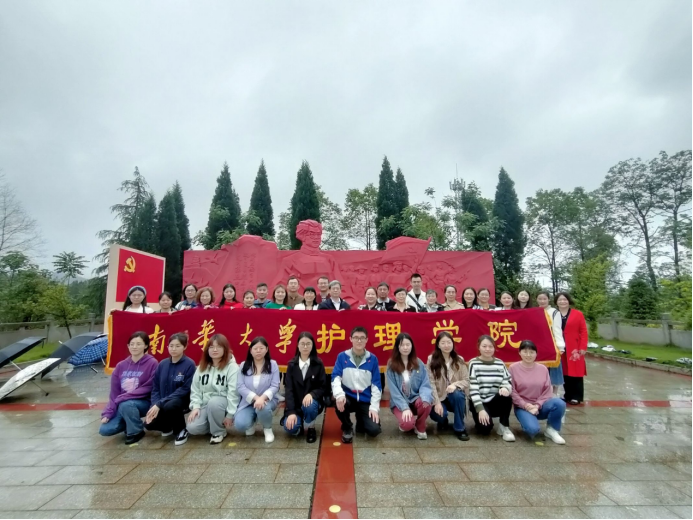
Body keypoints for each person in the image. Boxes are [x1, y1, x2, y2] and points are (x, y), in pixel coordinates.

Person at [100, 331, 158, 444]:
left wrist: (124, 397)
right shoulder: (121, 366)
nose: (134, 347)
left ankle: (136, 431)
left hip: (144, 402)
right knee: (105, 430)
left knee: (126, 404)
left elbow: (149, 387)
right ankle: (129, 421)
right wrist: (108, 412)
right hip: (123, 402)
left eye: (138, 344)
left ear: (146, 346)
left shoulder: (152, 363)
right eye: (132, 344)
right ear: (128, 346)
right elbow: (114, 393)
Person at [509, 340, 566, 444]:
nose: (528, 355)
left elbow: (547, 391)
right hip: (523, 407)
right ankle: (528, 421)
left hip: (540, 406)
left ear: (536, 353)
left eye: (531, 352)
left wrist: (537, 405)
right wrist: (526, 405)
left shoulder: (543, 369)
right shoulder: (513, 368)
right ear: (519, 352)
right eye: (525, 352)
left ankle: (552, 429)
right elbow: (512, 391)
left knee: (559, 403)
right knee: (532, 430)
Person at [332, 327, 382, 443]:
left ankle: (361, 420)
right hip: (348, 398)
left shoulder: (372, 359)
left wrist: (374, 408)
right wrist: (339, 395)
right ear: (351, 339)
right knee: (337, 401)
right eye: (356, 338)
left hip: (365, 400)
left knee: (374, 430)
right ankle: (347, 426)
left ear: (366, 340)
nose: (359, 341)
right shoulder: (342, 357)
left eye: (362, 338)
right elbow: (335, 377)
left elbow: (376, 385)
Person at [186, 334, 240, 444]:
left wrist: (230, 415)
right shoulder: (202, 367)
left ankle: (218, 432)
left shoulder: (232, 367)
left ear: (225, 349)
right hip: (205, 405)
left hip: (223, 404)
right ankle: (214, 425)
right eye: (211, 347)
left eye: (219, 347)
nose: (215, 350)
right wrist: (196, 406)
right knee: (192, 428)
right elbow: (195, 389)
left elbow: (233, 393)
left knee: (214, 402)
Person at [144, 333, 196, 446]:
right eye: (171, 346)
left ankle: (181, 430)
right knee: (149, 424)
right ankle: (168, 427)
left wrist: (160, 403)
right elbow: (156, 388)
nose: (174, 349)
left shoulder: (189, 364)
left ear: (184, 347)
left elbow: (185, 389)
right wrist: (154, 405)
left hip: (182, 400)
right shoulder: (162, 364)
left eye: (178, 346)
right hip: (162, 402)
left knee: (171, 405)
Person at [468, 335, 515, 442]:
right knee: (485, 429)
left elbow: (507, 380)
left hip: (494, 400)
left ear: (494, 348)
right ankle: (481, 420)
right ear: (479, 347)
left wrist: (505, 388)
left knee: (507, 397)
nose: (487, 349)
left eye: (490, 346)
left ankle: (504, 426)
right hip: (479, 402)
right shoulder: (473, 363)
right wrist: (480, 409)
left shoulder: (500, 363)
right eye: (484, 346)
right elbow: (473, 389)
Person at [387, 333, 433, 440]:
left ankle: (420, 425)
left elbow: (425, 384)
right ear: (397, 347)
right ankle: (407, 422)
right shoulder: (391, 364)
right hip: (399, 401)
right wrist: (404, 408)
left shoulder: (419, 363)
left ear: (412, 346)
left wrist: (425, 398)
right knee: (407, 425)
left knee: (426, 403)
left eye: (408, 345)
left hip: (415, 398)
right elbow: (394, 392)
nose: (405, 347)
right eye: (402, 345)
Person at [282, 332, 327, 443]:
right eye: (302, 344)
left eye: (308, 344)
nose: (305, 347)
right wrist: (291, 412)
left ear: (312, 346)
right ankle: (300, 424)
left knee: (309, 406)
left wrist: (312, 394)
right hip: (296, 405)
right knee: (290, 428)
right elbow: (289, 390)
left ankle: (311, 427)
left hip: (312, 403)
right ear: (298, 345)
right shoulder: (292, 365)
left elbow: (323, 387)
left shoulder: (318, 364)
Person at [234, 337, 281, 443]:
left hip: (268, 400)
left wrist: (262, 398)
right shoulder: (243, 365)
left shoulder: (272, 364)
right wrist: (256, 398)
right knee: (240, 425)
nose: (258, 351)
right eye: (255, 348)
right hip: (248, 402)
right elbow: (240, 386)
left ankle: (267, 428)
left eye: (261, 348)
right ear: (251, 350)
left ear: (266, 349)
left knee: (263, 408)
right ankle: (251, 422)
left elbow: (275, 385)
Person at [427, 331, 470, 441]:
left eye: (449, 342)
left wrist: (455, 384)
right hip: (439, 396)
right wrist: (436, 402)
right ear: (438, 345)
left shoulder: (459, 360)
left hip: (454, 397)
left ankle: (460, 428)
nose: (446, 345)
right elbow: (430, 382)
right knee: (439, 415)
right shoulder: (431, 359)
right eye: (443, 343)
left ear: (453, 343)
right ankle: (443, 420)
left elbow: (467, 380)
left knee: (458, 395)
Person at [556, 292, 588, 405]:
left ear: (569, 301)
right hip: (560, 347)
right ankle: (567, 395)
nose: (562, 302)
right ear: (556, 302)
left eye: (565, 299)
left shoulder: (577, 314)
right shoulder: (554, 314)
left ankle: (576, 396)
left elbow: (583, 331)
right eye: (560, 300)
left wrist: (583, 346)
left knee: (576, 372)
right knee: (564, 372)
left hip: (574, 347)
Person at [536, 291, 566, 396]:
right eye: (540, 299)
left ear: (548, 299)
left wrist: (560, 346)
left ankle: (554, 393)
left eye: (544, 299)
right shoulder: (534, 311)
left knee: (554, 368)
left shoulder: (554, 312)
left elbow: (557, 330)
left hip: (551, 343)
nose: (542, 301)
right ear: (536, 300)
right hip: (537, 344)